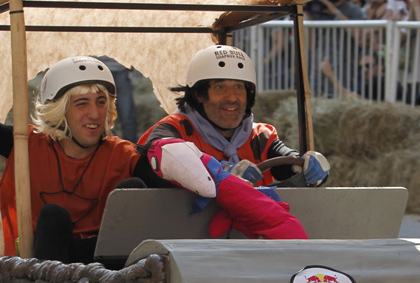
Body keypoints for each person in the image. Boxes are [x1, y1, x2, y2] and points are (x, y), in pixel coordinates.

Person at [0, 8, 166, 262]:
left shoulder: (124, 154)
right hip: (48, 272)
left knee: (133, 191)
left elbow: (174, 185)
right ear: (59, 111)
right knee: (54, 216)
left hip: (110, 274)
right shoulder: (28, 146)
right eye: (81, 104)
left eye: (101, 102)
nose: (95, 113)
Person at [139, 44, 330, 188]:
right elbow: (153, 160)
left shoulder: (260, 136)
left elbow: (285, 160)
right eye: (220, 87)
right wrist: (219, 171)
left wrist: (305, 163)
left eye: (239, 87)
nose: (232, 98)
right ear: (198, 94)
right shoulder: (174, 129)